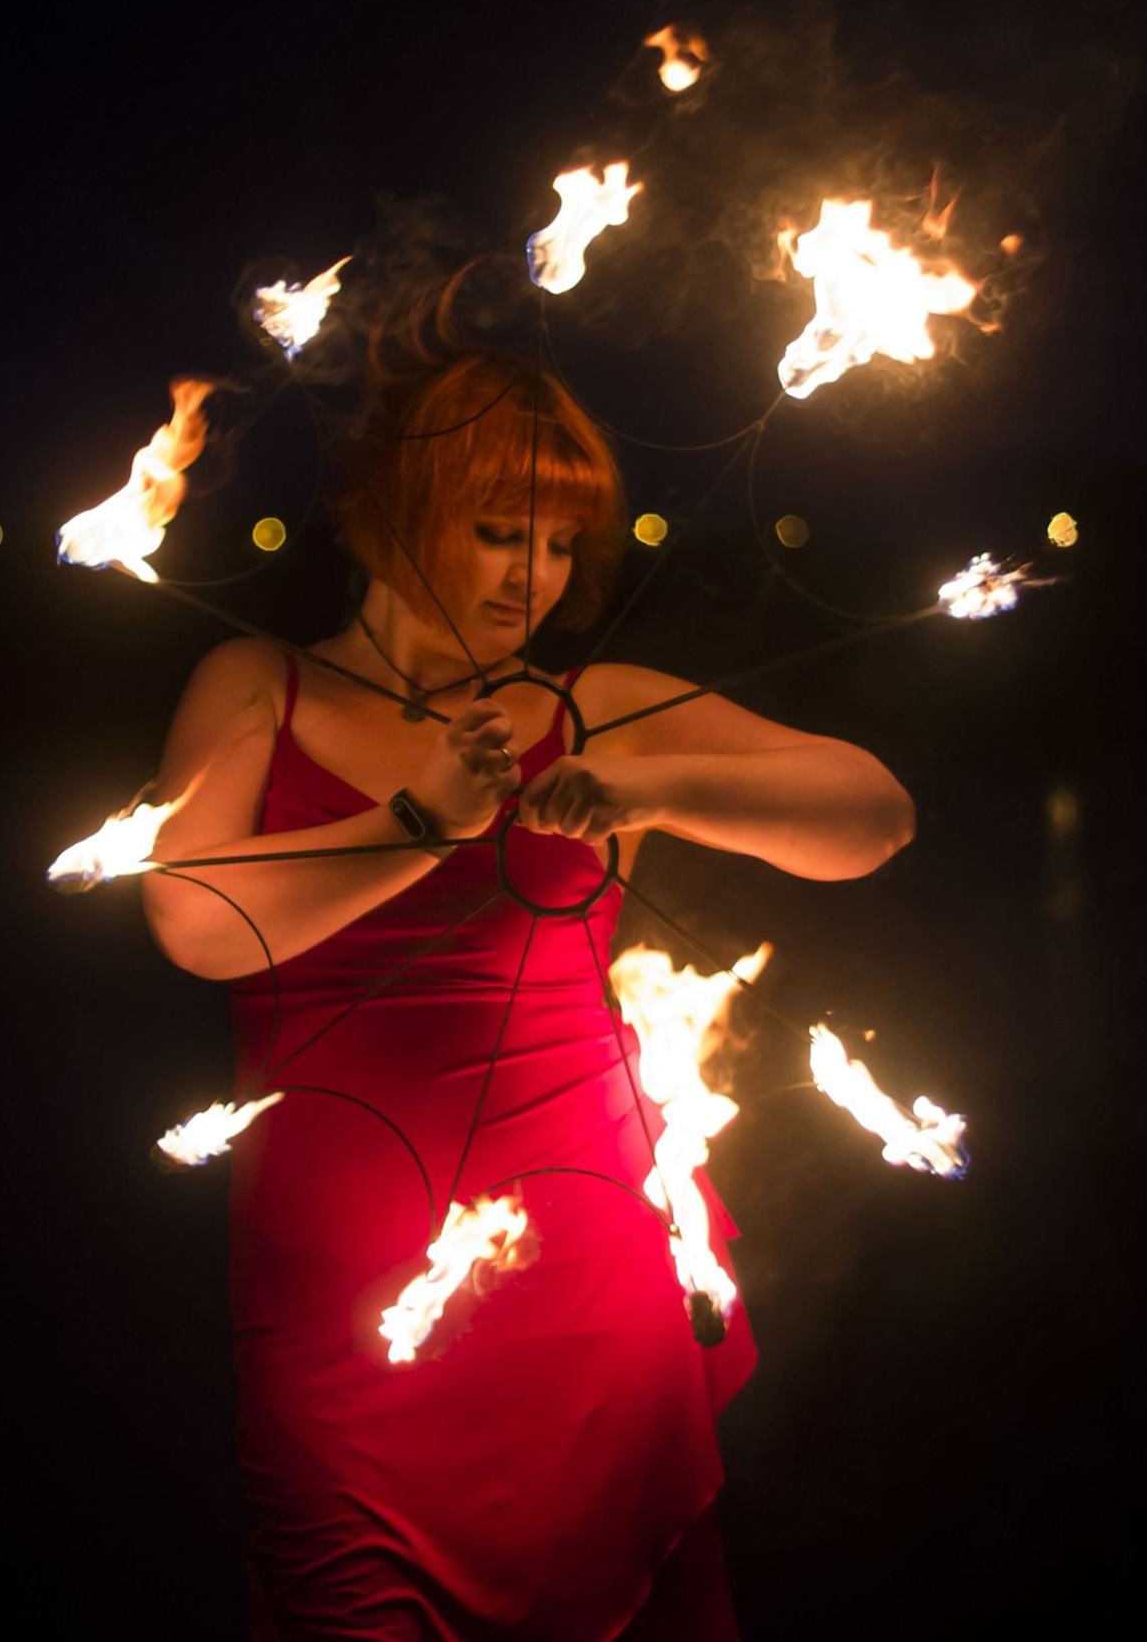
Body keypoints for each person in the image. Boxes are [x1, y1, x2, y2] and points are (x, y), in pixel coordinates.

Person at [142, 316, 914, 1640]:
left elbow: (875, 813)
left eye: (562, 543)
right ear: (398, 511)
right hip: (344, 1328)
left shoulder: (589, 706)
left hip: (593, 1287)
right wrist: (426, 816)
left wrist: (651, 785)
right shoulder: (254, 683)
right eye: (505, 529)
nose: (538, 577)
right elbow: (195, 921)